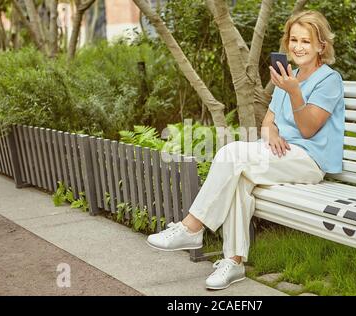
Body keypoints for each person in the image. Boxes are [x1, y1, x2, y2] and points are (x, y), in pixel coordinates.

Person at [146, 10, 345, 290]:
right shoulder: (289, 75)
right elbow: (267, 122)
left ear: (321, 46)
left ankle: (192, 227)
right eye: (293, 40)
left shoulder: (329, 80)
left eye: (306, 42)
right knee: (239, 177)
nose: (298, 47)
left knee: (232, 153)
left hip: (310, 160)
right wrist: (272, 131)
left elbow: (309, 129)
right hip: (282, 156)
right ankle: (234, 262)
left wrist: (294, 92)